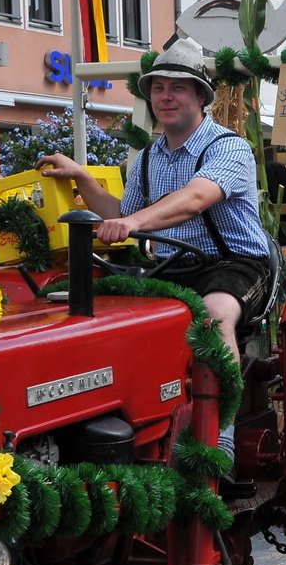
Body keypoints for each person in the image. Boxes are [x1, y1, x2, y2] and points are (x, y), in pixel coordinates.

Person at [39, 38, 269, 367]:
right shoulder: (149, 156)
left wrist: (132, 224)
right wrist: (80, 176)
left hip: (233, 265)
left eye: (177, 88)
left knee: (214, 316)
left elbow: (195, 199)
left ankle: (222, 417)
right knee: (113, 313)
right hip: (168, 267)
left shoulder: (227, 147)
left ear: (200, 96)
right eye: (158, 88)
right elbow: (123, 214)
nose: (165, 97)